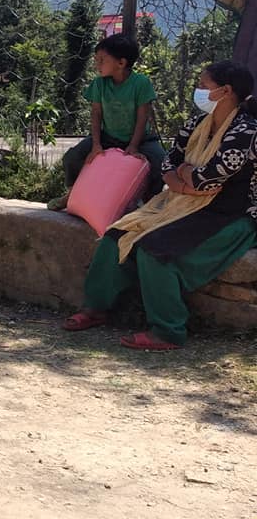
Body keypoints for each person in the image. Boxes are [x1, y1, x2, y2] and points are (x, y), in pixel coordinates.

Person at [63, 61, 257, 350]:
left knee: (156, 250)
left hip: (228, 214)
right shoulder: (197, 123)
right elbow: (171, 161)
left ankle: (169, 330)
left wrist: (187, 176)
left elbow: (209, 178)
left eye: (203, 86)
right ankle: (96, 308)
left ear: (225, 91)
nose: (198, 91)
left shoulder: (246, 131)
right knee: (117, 235)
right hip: (180, 200)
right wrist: (183, 181)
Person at [48, 33, 165, 210]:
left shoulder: (141, 83)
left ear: (121, 63)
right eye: (96, 60)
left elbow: (143, 118)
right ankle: (72, 194)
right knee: (72, 158)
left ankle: (150, 203)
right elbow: (96, 114)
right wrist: (96, 144)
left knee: (161, 161)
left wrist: (133, 146)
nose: (97, 64)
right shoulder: (99, 83)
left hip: (140, 139)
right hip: (107, 136)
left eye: (102, 60)